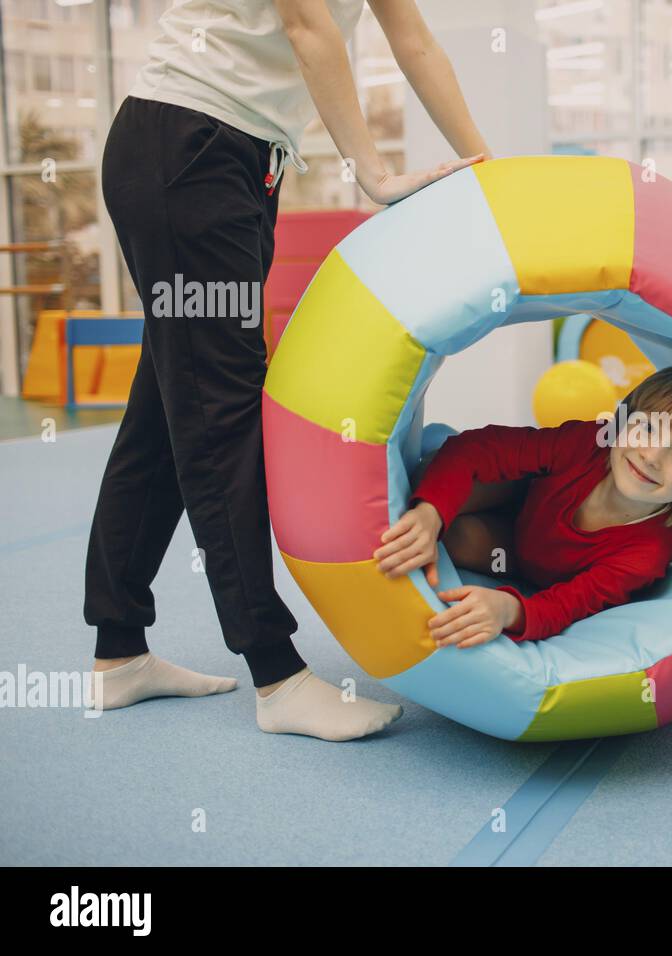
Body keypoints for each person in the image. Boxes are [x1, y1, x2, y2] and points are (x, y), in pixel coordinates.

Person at [84, 0, 492, 741]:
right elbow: (310, 28)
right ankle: (276, 673)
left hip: (234, 162)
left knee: (163, 412)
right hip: (188, 150)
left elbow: (414, 38)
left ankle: (118, 651)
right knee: (221, 417)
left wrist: (489, 167)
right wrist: (371, 171)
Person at [374, 364, 672, 649]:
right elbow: (480, 449)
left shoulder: (647, 553)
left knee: (455, 539)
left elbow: (566, 605)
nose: (651, 456)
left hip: (518, 555)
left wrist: (508, 610)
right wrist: (428, 512)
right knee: (435, 481)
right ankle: (433, 489)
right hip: (522, 496)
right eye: (647, 428)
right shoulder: (589, 444)